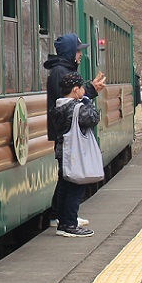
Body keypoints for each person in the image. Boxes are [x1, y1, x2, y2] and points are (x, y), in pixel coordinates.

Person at [44, 33, 106, 229]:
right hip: (68, 136)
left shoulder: (61, 70)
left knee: (66, 177)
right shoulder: (60, 72)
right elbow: (73, 102)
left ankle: (63, 216)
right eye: (78, 51)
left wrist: (89, 89)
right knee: (70, 179)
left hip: (66, 135)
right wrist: (90, 91)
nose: (80, 55)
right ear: (70, 52)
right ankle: (65, 218)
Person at [50, 71, 101, 237]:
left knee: (65, 188)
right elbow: (93, 118)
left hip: (63, 152)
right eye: (81, 88)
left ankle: (63, 222)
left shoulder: (59, 106)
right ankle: (70, 224)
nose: (83, 91)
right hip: (75, 155)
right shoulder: (76, 108)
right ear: (75, 90)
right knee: (75, 189)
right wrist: (87, 100)